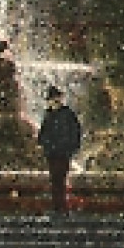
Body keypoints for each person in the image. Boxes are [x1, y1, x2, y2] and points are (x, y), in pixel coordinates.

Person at [37, 86, 83, 216]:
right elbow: (43, 133)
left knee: (60, 179)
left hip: (62, 152)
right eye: (51, 99)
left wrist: (71, 148)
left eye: (55, 99)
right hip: (53, 153)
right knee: (55, 180)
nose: (53, 102)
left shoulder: (67, 114)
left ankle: (61, 206)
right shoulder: (49, 114)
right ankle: (58, 206)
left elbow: (75, 132)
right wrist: (43, 144)